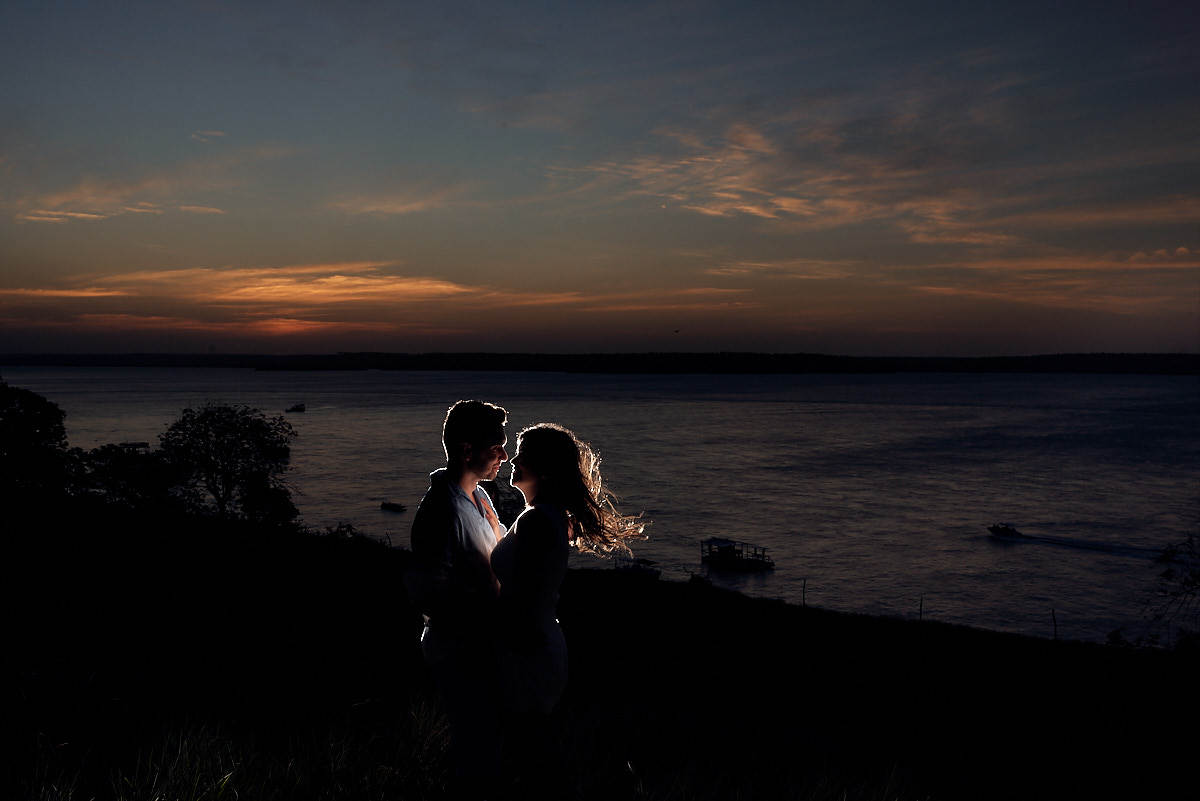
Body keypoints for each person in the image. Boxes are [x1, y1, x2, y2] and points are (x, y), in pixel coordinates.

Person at [490, 423, 645, 791]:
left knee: (526, 754)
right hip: (532, 642)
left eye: (523, 454)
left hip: (529, 648)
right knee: (527, 751)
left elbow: (525, 598)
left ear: (544, 468)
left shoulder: (538, 520)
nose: (512, 459)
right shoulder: (543, 515)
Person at [407, 399, 509, 799]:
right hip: (460, 654)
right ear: (467, 450)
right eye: (496, 447)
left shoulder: (480, 497)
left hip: (483, 649)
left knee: (488, 749)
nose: (504, 456)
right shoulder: (441, 510)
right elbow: (427, 591)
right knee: (473, 752)